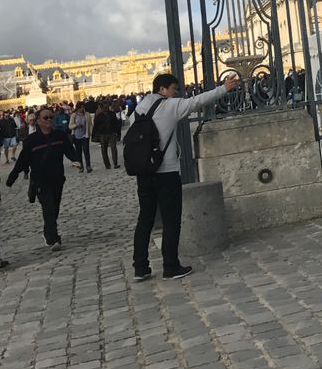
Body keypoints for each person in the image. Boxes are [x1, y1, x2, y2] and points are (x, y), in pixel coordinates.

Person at [128, 72, 241, 281]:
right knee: (171, 220)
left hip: (144, 171)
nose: (176, 93)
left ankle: (140, 267)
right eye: (173, 89)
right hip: (166, 172)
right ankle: (170, 266)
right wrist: (223, 89)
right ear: (162, 89)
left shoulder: (139, 108)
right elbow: (197, 101)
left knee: (145, 219)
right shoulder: (170, 106)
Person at [5, 107, 82, 249]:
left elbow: (69, 151)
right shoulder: (31, 141)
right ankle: (53, 239)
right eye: (45, 118)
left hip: (57, 178)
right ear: (38, 121)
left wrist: (76, 160)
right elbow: (23, 160)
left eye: (51, 117)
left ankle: (48, 232)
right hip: (40, 180)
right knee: (49, 208)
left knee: (55, 208)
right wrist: (12, 177)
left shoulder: (59, 136)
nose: (49, 120)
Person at [93, 101, 123, 169]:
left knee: (113, 148)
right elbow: (95, 126)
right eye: (104, 107)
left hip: (111, 133)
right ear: (102, 108)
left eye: (107, 107)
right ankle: (107, 164)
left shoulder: (112, 114)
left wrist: (118, 133)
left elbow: (116, 124)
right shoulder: (99, 116)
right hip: (102, 134)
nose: (106, 108)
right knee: (104, 150)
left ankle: (115, 163)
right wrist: (94, 136)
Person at [70, 103, 92, 173]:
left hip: (85, 135)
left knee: (86, 151)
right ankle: (81, 167)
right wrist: (76, 125)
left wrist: (90, 133)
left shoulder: (87, 114)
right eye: (81, 107)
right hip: (76, 136)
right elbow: (70, 126)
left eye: (83, 107)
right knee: (78, 152)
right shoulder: (74, 115)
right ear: (78, 108)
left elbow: (90, 124)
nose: (82, 109)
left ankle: (88, 166)